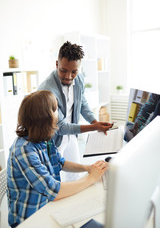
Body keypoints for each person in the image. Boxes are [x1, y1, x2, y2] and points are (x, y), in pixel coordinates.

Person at [7, 90, 109, 228]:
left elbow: (60, 162)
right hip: (29, 219)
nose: (59, 114)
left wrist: (88, 168)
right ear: (44, 118)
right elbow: (53, 191)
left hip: (48, 206)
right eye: (55, 109)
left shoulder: (43, 138)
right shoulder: (24, 150)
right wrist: (91, 178)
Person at [38, 41, 112, 181]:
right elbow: (60, 127)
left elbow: (82, 102)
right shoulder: (47, 90)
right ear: (56, 64)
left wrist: (95, 122)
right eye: (63, 70)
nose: (68, 76)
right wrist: (92, 127)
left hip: (71, 135)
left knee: (75, 176)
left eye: (74, 71)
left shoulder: (79, 79)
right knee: (54, 179)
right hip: (53, 139)